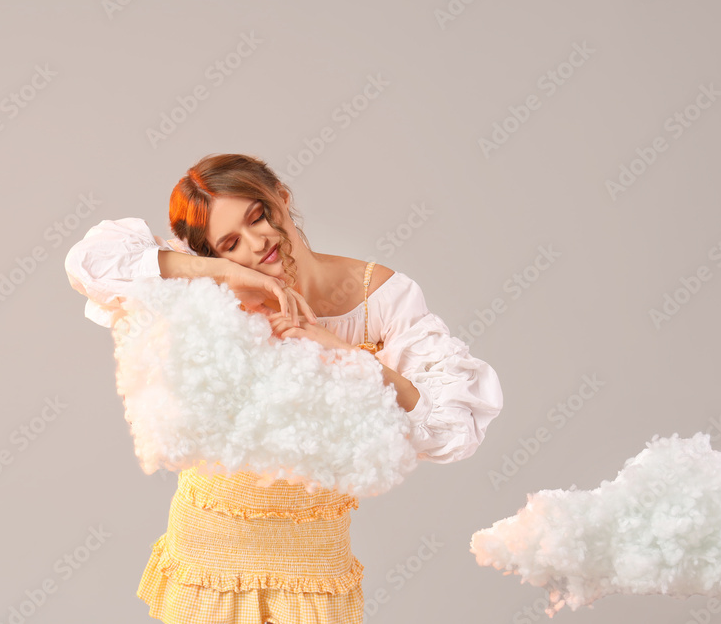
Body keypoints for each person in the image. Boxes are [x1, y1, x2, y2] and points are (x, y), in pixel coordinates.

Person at [64, 153, 504, 624]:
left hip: (311, 565)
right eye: (231, 243)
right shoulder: (204, 289)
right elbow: (88, 263)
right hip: (209, 558)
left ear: (282, 196)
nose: (258, 243)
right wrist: (230, 276)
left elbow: (451, 427)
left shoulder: (382, 298)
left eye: (259, 216)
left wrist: (343, 353)